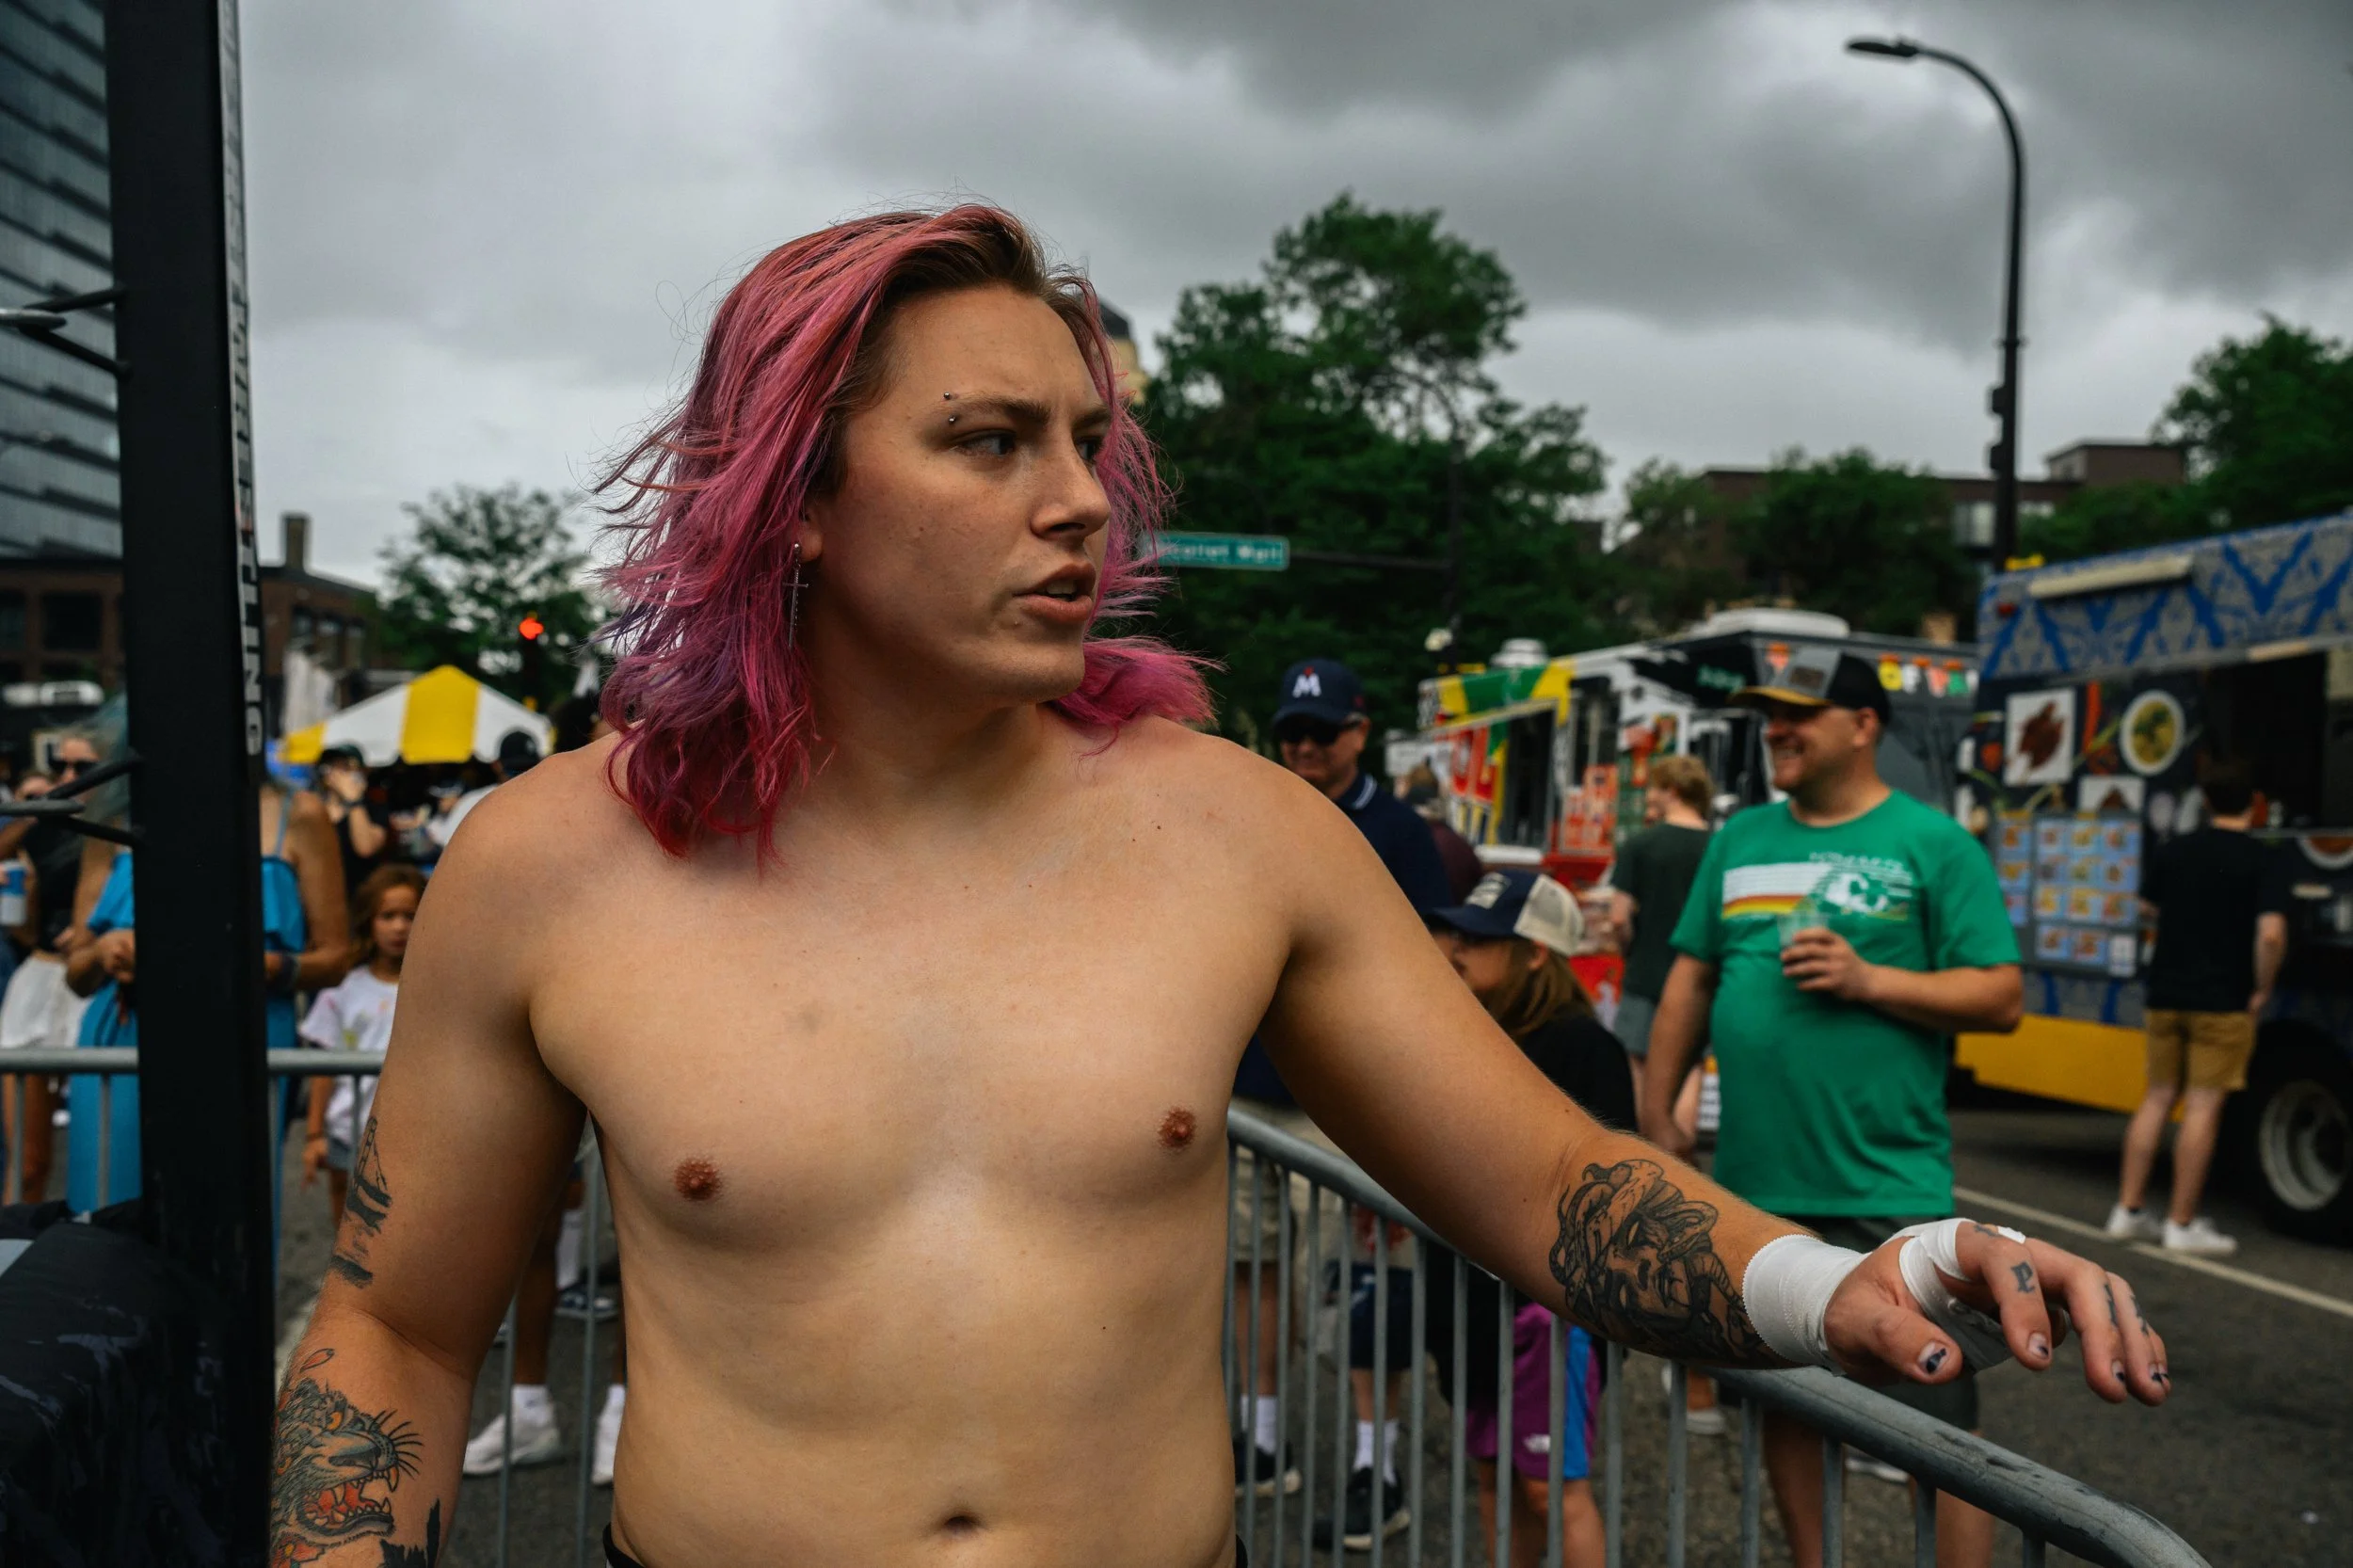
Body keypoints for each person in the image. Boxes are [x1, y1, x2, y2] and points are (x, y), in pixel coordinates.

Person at [273, 208, 2165, 1568]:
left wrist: (1843, 1280)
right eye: (990, 441)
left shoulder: (1235, 832)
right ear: (800, 497)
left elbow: (1540, 1180)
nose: (1082, 500)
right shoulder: (556, 863)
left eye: (1086, 442)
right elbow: (398, 1325)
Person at [1641, 645, 2028, 1568]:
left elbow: (2000, 995)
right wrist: (1656, 1114)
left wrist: (1869, 979)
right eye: (1768, 714)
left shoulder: (1933, 843)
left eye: (1797, 713)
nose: (1775, 729)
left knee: (1941, 1432)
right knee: (1790, 1406)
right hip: (1758, 1189)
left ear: (1862, 726)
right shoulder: (1738, 838)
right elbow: (1690, 979)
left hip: (1887, 1184)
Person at [1237, 656, 1449, 1546]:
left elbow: (1435, 968)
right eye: (1293, 732)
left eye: (1322, 732)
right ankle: (1261, 1436)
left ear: (1360, 732)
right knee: (1250, 1270)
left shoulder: (1401, 833)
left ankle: (1376, 1462)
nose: (1306, 747)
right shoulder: (1251, 812)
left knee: (1365, 1294)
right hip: (1247, 1097)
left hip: (1345, 1109)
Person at [1427, 868, 1631, 1568]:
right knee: (1494, 1476)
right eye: (1457, 933)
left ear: (1536, 953)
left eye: (1480, 938)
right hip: (1472, 1302)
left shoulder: (1584, 1047)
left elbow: (1615, 1188)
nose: (1457, 949)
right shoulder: (1470, 1036)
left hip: (1547, 1314)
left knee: (1552, 1490)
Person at [63, 767, 350, 1209]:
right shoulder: (114, 813)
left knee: (229, 1208)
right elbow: (76, 972)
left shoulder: (298, 813)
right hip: (122, 1036)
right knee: (107, 1199)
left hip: (243, 1031)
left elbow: (336, 958)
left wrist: (266, 966)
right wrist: (104, 951)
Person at [2107, 760, 2291, 1256]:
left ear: (2205, 803)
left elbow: (2146, 906)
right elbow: (2271, 935)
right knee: (2204, 1106)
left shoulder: (2176, 850)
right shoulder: (2263, 858)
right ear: (2254, 804)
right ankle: (2182, 1223)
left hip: (2166, 994)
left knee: (2157, 1097)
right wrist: (2261, 988)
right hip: (2223, 1000)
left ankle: (2128, 1210)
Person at [301, 866, 424, 1226]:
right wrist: (314, 1134)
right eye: (388, 916)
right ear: (369, 920)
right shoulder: (343, 990)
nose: (399, 927)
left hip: (414, 1135)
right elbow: (324, 1067)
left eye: (410, 916)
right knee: (349, 1230)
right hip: (347, 1130)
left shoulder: (435, 991)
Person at [0, 747, 91, 1201]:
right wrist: (32, 811)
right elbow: (27, 929)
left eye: (83, 767)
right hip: (40, 981)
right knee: (28, 1164)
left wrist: (95, 933)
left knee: (98, 1156)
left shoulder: (124, 832)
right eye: (60, 766)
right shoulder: (41, 831)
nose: (68, 775)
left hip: (96, 989)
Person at [318, 745, 394, 893]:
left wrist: (354, 800)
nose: (338, 775)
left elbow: (366, 848)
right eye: (333, 767)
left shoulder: (374, 809)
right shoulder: (316, 810)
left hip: (361, 895)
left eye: (346, 768)